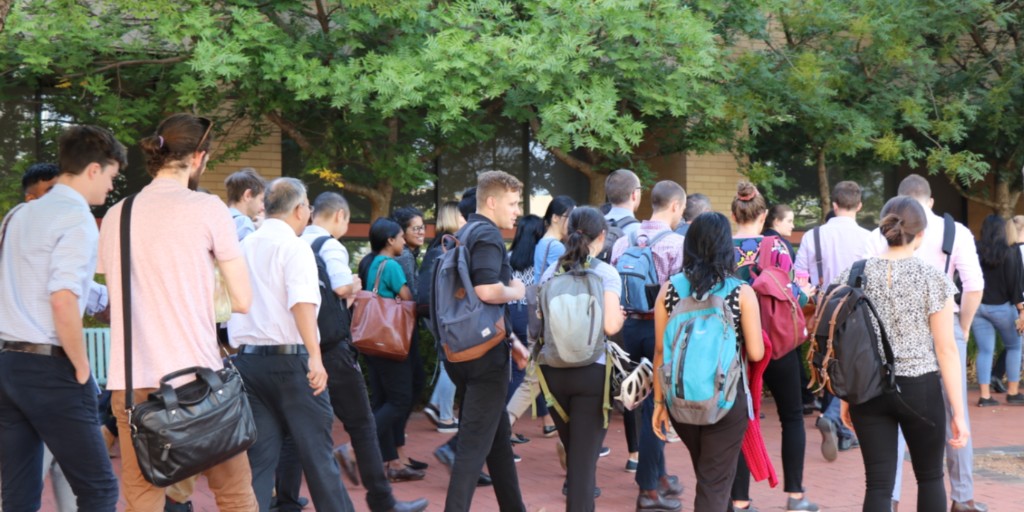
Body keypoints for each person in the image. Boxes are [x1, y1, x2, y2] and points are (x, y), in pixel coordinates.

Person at [99, 113, 258, 510]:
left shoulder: (119, 213)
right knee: (234, 494)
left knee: (142, 499)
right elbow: (241, 300)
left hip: (133, 383)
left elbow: (115, 293)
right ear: (199, 156)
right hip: (200, 381)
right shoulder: (207, 208)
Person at [0, 125, 124, 511]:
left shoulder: (19, 214)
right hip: (51, 367)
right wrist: (83, 367)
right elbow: (63, 298)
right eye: (111, 176)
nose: (110, 188)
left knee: (19, 492)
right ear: (93, 169)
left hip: (8, 363)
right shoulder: (77, 219)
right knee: (100, 489)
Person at [294, 192, 427, 512]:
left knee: (296, 435)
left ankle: (284, 499)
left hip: (300, 348)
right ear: (339, 216)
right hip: (343, 348)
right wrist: (354, 286)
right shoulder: (333, 247)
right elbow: (344, 288)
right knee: (369, 419)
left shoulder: (296, 244)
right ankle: (376, 491)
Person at [225, 178, 353, 511]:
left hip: (248, 364)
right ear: (300, 210)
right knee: (319, 457)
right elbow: (302, 304)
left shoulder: (243, 246)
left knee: (259, 462)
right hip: (292, 361)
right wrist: (315, 357)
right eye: (308, 205)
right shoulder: (295, 247)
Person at [836, 196, 970, 511]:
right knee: (930, 477)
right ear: (921, 234)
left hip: (867, 388)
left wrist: (845, 397)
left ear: (884, 229)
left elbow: (846, 342)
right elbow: (946, 349)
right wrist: (959, 413)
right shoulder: (932, 278)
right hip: (919, 388)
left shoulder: (853, 274)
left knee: (879, 484)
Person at [866, 174, 986, 512]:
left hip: (888, 339)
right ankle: (962, 497)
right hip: (943, 327)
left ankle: (889, 497)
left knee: (892, 417)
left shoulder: (881, 234)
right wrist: (960, 327)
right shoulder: (956, 233)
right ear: (930, 201)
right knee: (954, 411)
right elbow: (974, 285)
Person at [653, 211, 766, 512]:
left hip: (681, 402)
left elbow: (661, 353)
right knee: (713, 485)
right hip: (725, 402)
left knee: (713, 477)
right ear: (726, 246)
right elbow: (755, 353)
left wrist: (658, 404)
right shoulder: (740, 292)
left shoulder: (670, 290)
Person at [442, 170, 528, 512]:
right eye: (513, 202)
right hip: (485, 356)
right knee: (472, 449)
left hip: (461, 350)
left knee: (496, 442)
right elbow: (486, 290)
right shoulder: (488, 236)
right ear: (491, 202)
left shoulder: (462, 233)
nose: (517, 210)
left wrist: (513, 340)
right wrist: (516, 291)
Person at [730, 181, 817, 512]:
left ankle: (739, 500)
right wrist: (807, 292)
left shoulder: (722, 247)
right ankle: (795, 495)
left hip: (735, 346)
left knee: (739, 420)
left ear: (734, 213)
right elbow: (795, 294)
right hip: (776, 342)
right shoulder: (777, 247)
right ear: (764, 214)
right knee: (792, 416)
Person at [536, 206, 626, 511]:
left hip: (553, 372)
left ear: (567, 232)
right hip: (592, 373)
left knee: (576, 457)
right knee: (583, 469)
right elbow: (611, 325)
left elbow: (537, 323)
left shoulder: (551, 272)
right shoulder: (605, 273)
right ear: (601, 237)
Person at [610, 180, 687, 511]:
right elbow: (679, 294)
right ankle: (648, 488)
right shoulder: (677, 244)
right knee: (657, 404)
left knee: (643, 401)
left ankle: (660, 474)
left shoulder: (622, 241)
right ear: (675, 206)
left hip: (628, 328)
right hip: (660, 331)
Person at [794, 181, 871, 461]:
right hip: (857, 309)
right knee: (853, 368)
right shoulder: (869, 238)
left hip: (824, 307)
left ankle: (841, 429)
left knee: (827, 364)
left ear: (834, 205)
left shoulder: (813, 236)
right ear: (859, 205)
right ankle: (835, 419)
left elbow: (800, 279)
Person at [356, 218, 422, 482]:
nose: (404, 241)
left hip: (372, 341)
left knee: (383, 400)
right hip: (390, 341)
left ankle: (391, 462)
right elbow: (408, 300)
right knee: (399, 400)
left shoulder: (369, 263)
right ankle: (354, 449)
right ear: (389, 241)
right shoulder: (392, 265)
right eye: (400, 237)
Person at [505, 214, 553, 445]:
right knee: (531, 372)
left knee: (524, 372)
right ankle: (508, 427)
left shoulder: (508, 257)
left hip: (509, 314)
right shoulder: (540, 259)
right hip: (530, 315)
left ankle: (546, 421)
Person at [390, 207, 430, 471]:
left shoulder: (408, 255)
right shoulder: (404, 257)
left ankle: (398, 453)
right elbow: (413, 297)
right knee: (405, 394)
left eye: (423, 227)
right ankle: (393, 454)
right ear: (401, 232)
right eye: (416, 228)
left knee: (407, 391)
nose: (422, 232)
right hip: (402, 332)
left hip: (404, 331)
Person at [970, 215, 1024, 406]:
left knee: (985, 351)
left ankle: (985, 396)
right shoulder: (1011, 251)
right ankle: (1013, 392)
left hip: (978, 307)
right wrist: (1021, 308)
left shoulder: (975, 250)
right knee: (1015, 347)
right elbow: (1014, 283)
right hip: (1002, 308)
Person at [422, 202, 465, 433]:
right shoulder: (447, 246)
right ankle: (445, 417)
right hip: (441, 312)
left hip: (431, 310)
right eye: (462, 216)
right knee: (452, 359)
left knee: (448, 359)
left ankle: (435, 405)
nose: (465, 219)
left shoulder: (437, 244)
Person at [224, 168, 266, 240]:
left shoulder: (220, 217)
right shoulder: (243, 222)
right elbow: (249, 251)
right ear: (248, 195)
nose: (263, 207)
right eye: (261, 200)